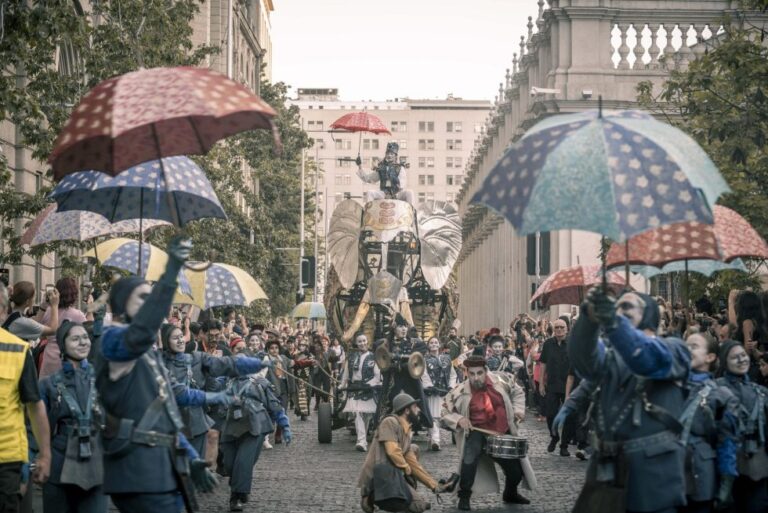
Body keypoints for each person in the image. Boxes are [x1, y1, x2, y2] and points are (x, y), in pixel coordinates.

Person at [96, 237, 216, 513]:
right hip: (138, 472)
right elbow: (143, 329)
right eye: (142, 297)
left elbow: (164, 415)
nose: (151, 304)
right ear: (122, 302)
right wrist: (171, 270)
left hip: (163, 470)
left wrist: (189, 456)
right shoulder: (113, 341)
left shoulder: (146, 351)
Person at [568, 289, 690, 513]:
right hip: (607, 474)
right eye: (616, 307)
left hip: (652, 478)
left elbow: (644, 357)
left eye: (627, 307)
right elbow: (583, 359)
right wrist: (588, 317)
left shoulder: (675, 348)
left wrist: (614, 322)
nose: (618, 311)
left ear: (649, 314)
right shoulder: (610, 354)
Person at [440, 348, 531, 511]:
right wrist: (459, 419)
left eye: (479, 373)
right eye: (472, 374)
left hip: (501, 432)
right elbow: (445, 409)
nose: (475, 378)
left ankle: (510, 493)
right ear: (467, 372)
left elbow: (518, 391)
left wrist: (518, 410)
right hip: (476, 432)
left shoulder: (501, 380)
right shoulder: (460, 390)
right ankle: (464, 497)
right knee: (468, 461)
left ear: (485, 370)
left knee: (515, 472)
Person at [160, 324, 266, 459]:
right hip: (169, 423)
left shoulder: (197, 358)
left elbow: (226, 363)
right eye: (175, 338)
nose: (181, 340)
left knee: (194, 467)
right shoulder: (157, 363)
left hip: (195, 421)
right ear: (165, 341)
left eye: (181, 336)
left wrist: (253, 363)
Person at [38, 321, 107, 513]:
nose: (83, 342)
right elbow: (34, 426)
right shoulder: (47, 385)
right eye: (75, 339)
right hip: (59, 463)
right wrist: (35, 460)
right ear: (63, 345)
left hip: (96, 463)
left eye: (85, 338)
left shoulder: (103, 379)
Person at [0, 282, 51, 513]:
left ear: (3, 310)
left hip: (6, 459)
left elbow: (35, 405)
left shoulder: (17, 349)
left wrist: (44, 453)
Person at [676, 333, 740, 513]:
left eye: (694, 346)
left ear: (710, 357)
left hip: (700, 477)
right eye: (685, 346)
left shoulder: (721, 395)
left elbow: (726, 443)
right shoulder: (671, 387)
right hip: (669, 475)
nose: (687, 350)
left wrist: (726, 486)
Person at [220, 362, 292, 512]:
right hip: (231, 425)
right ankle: (240, 486)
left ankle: (237, 496)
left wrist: (285, 426)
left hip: (255, 425)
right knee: (229, 464)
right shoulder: (225, 382)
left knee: (243, 461)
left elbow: (274, 405)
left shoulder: (260, 383)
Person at [357, 392, 443, 513]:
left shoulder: (406, 429)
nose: (418, 410)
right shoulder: (390, 422)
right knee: (417, 506)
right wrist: (406, 469)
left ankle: (403, 495)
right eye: (415, 407)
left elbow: (414, 465)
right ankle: (371, 496)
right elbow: (392, 451)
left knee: (414, 449)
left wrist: (434, 485)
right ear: (407, 411)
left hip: (394, 473)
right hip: (379, 477)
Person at [716, 340, 768, 513]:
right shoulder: (715, 390)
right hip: (728, 468)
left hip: (758, 468)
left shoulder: (759, 391)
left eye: (743, 355)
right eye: (734, 357)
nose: (741, 360)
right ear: (725, 362)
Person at [374, 320, 432, 430]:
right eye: (401, 326)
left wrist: (402, 361)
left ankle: (421, 424)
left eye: (405, 326)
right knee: (387, 402)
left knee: (417, 401)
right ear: (394, 329)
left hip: (410, 379)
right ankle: (386, 427)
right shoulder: (386, 343)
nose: (404, 329)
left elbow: (418, 358)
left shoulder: (415, 343)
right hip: (393, 379)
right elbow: (381, 357)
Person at [39, 278, 90, 379]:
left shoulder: (48, 311)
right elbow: (89, 330)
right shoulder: (78, 315)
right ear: (74, 294)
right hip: (69, 359)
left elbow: (42, 336)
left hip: (49, 358)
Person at [341, 334, 382, 452]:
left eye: (364, 341)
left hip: (368, 389)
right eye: (359, 341)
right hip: (354, 389)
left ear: (367, 342)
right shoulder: (352, 357)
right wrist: (342, 385)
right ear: (356, 343)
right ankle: (361, 441)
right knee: (357, 413)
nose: (362, 343)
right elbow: (346, 374)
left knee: (367, 416)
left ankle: (362, 439)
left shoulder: (373, 357)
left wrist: (371, 384)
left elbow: (377, 375)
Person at [540, 318, 572, 456]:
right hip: (552, 384)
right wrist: (541, 382)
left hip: (569, 384)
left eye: (562, 327)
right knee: (550, 414)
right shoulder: (548, 344)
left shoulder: (572, 343)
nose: (559, 330)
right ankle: (554, 437)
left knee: (569, 417)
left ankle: (564, 445)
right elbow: (543, 364)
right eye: (557, 327)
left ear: (567, 329)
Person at [421, 336, 455, 451]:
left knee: (440, 417)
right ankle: (436, 440)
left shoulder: (447, 359)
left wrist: (451, 385)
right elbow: (423, 373)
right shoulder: (424, 359)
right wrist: (429, 386)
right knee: (433, 416)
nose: (434, 344)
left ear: (439, 345)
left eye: (436, 342)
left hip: (444, 392)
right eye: (431, 342)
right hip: (431, 392)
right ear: (428, 345)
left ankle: (433, 439)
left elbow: (452, 374)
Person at [262, 338, 294, 444]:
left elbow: (294, 363)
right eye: (271, 348)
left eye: (276, 348)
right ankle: (266, 435)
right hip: (272, 390)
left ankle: (278, 434)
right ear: (268, 349)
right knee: (272, 412)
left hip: (284, 388)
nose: (274, 350)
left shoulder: (283, 358)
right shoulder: (266, 361)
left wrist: (308, 362)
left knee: (283, 411)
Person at [291, 338, 314, 420]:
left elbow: (313, 366)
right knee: (300, 396)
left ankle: (306, 412)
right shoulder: (295, 355)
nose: (302, 347)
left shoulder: (310, 355)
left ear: (306, 346)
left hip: (307, 378)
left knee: (308, 396)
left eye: (303, 345)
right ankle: (302, 413)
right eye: (300, 345)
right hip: (299, 378)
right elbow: (293, 365)